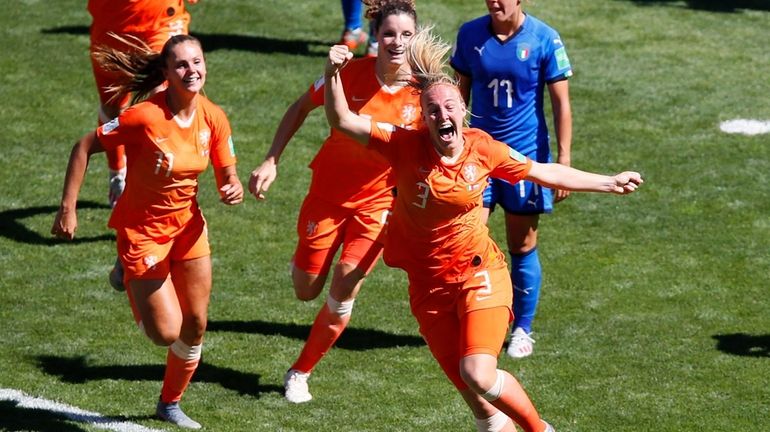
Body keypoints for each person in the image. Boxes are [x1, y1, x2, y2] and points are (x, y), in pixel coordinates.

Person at [324, 27, 642, 432]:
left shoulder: (482, 148)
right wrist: (332, 72)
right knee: (484, 413)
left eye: (450, 107)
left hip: (479, 274)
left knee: (478, 371)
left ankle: (541, 429)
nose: (442, 115)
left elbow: (541, 171)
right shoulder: (403, 144)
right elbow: (342, 119)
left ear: (463, 110)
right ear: (423, 115)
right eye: (433, 109)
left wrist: (608, 181)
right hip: (428, 288)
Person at [51, 34, 243, 429]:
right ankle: (127, 267)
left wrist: (233, 187)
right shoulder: (146, 116)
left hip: (189, 229)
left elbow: (228, 174)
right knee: (166, 332)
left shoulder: (214, 117)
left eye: (197, 62)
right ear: (167, 73)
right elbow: (85, 145)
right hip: (143, 233)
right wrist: (68, 209)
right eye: (182, 65)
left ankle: (169, 404)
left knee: (196, 324)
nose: (192, 71)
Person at [249, 0, 420, 404]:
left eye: (407, 34)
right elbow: (299, 107)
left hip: (377, 206)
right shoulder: (349, 73)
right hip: (326, 197)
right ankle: (305, 262)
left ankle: (300, 371)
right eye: (389, 33)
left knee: (345, 284)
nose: (397, 42)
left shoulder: (425, 92)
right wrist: (272, 159)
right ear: (374, 35)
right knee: (306, 290)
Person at [450, 0, 574, 358]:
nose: (494, 2)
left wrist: (563, 161)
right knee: (469, 239)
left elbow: (561, 104)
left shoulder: (544, 39)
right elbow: (459, 94)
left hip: (525, 160)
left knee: (521, 246)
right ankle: (470, 317)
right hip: (479, 158)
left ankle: (522, 328)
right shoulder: (470, 34)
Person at [88, 0, 200, 208]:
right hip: (111, 29)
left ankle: (167, 189)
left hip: (161, 22)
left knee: (166, 100)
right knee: (113, 106)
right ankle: (118, 174)